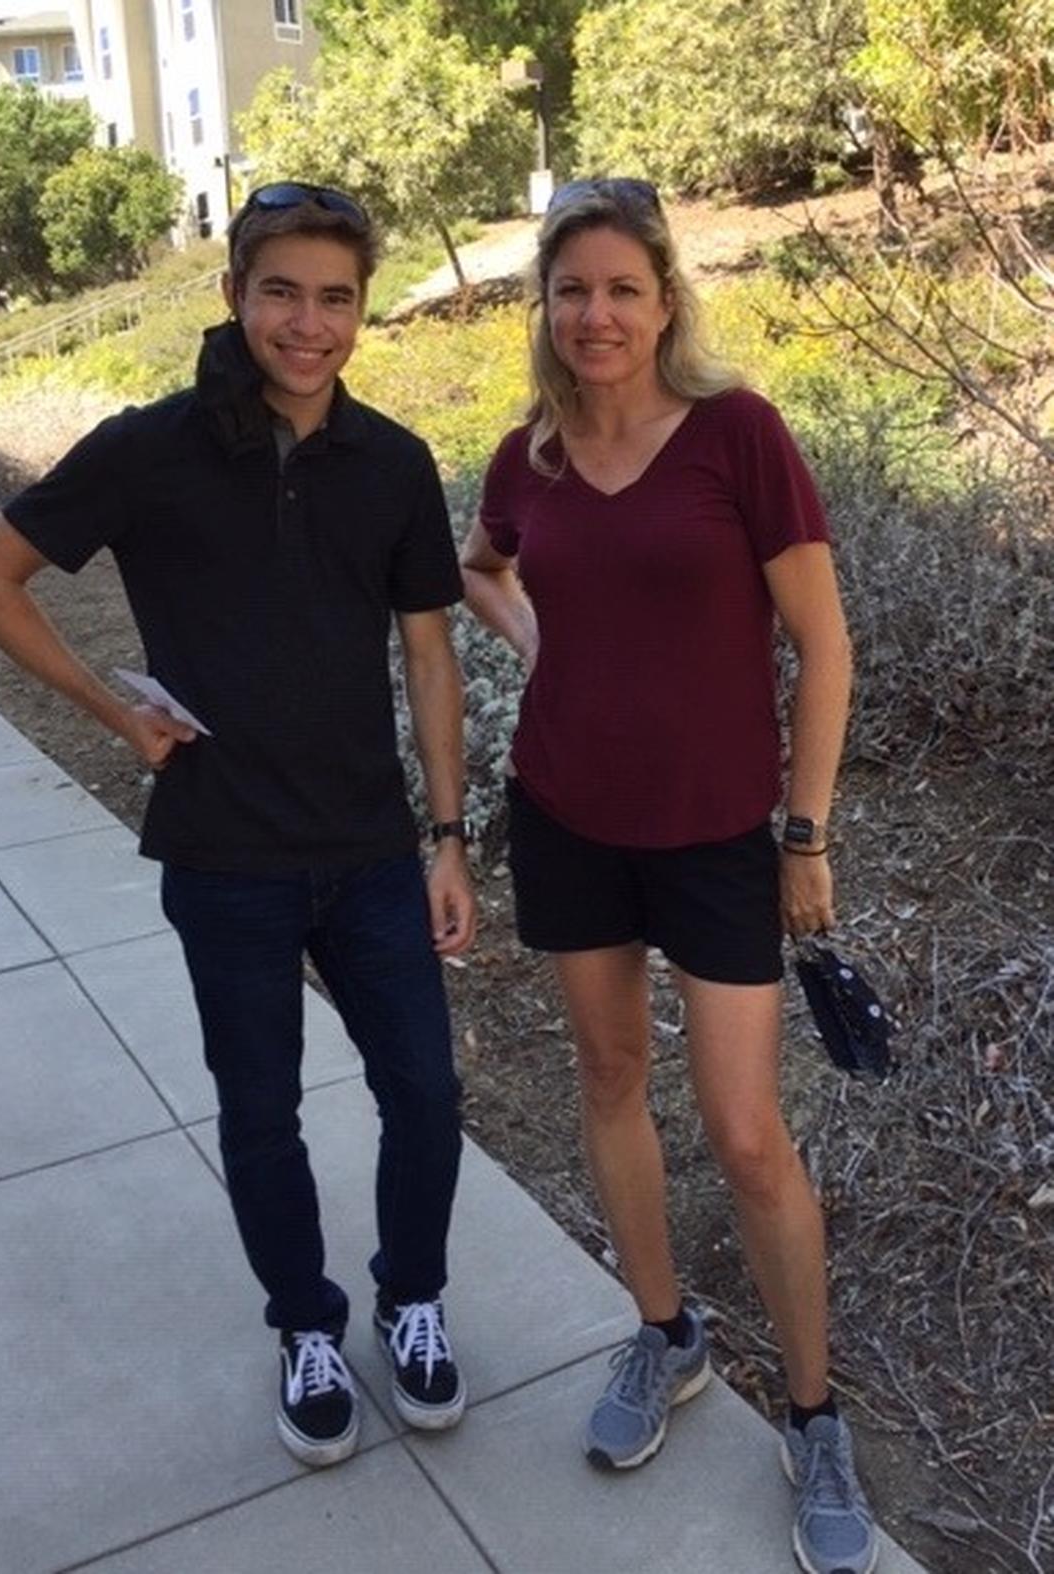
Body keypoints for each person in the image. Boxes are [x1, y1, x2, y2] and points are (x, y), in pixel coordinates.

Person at [0, 181, 476, 1470]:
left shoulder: (394, 464)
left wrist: (449, 834)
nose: (308, 324)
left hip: (366, 853)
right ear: (235, 296)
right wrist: (116, 719)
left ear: (362, 311)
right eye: (281, 291)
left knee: (428, 1096)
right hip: (226, 855)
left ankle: (412, 1299)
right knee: (260, 1112)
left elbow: (428, 656)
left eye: (335, 298)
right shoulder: (150, 446)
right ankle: (305, 1325)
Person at [460, 178, 877, 1574]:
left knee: (750, 1133)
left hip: (715, 836)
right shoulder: (532, 452)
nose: (597, 315)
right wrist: (543, 652)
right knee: (607, 1076)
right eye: (571, 290)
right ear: (548, 307)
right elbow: (484, 565)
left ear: (665, 298)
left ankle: (814, 1415)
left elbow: (824, 646)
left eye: (622, 288)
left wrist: (804, 834)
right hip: (568, 815)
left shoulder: (739, 436)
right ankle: (664, 1331)